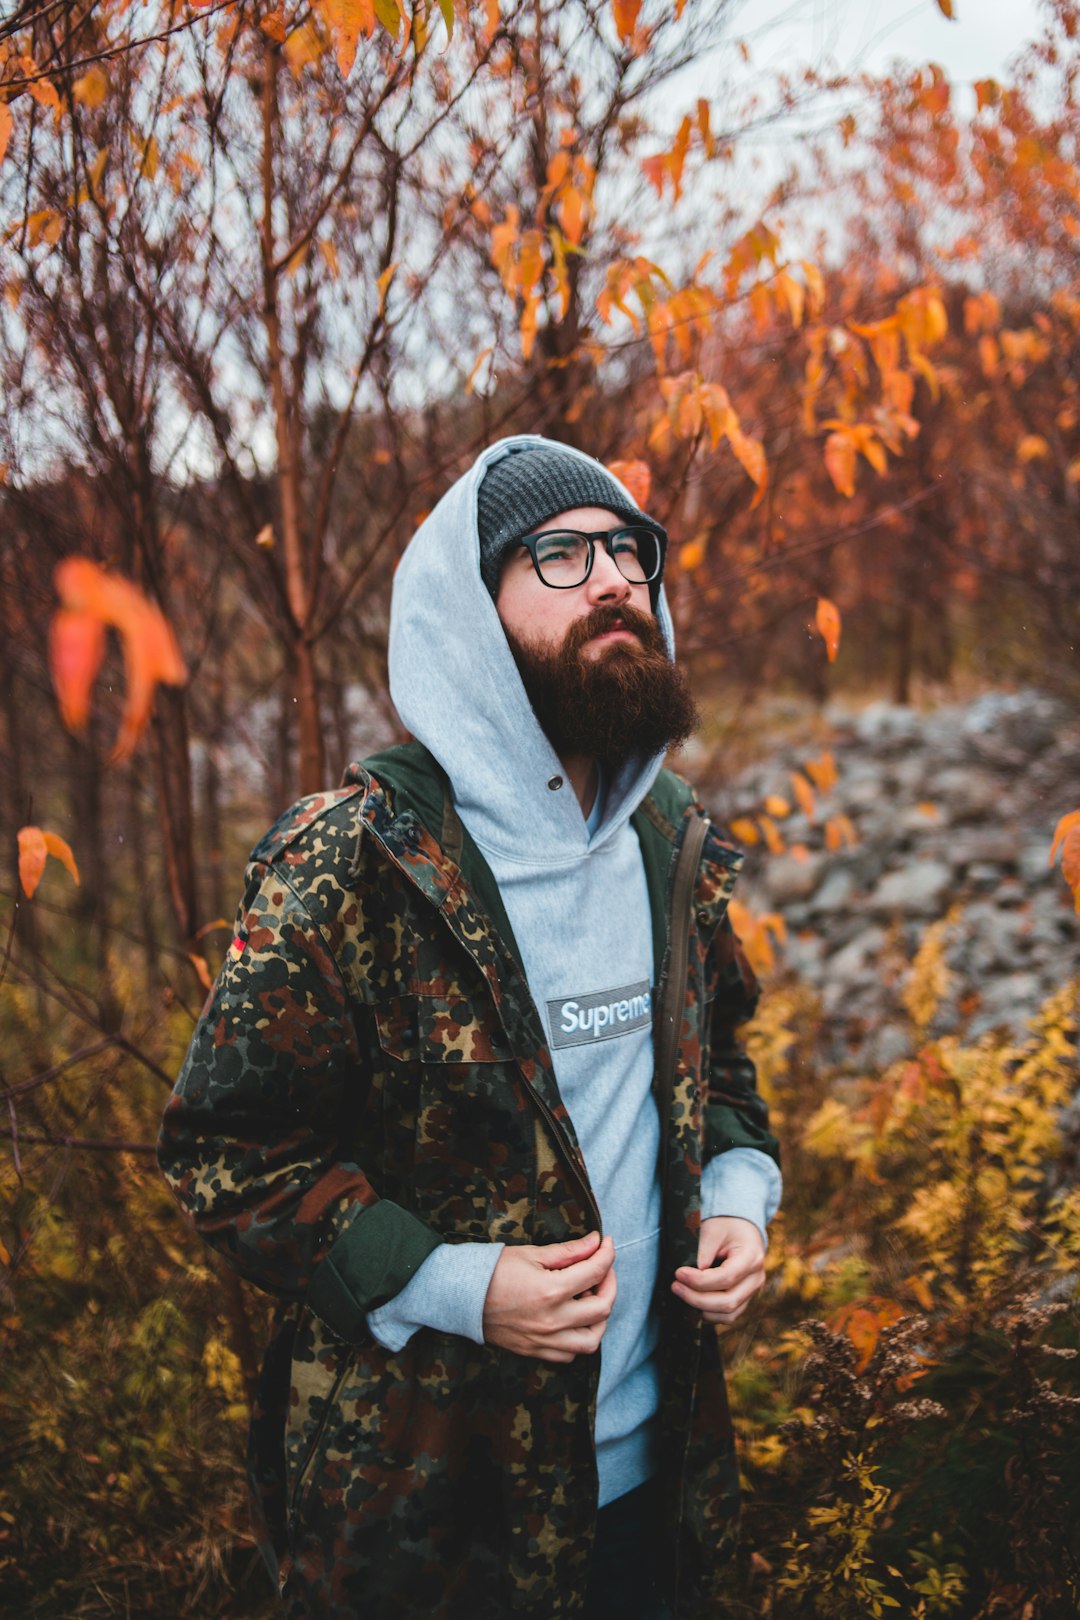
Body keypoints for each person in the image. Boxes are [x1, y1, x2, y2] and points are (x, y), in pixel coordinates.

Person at [158, 436, 781, 1620]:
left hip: (663, 1479)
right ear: (470, 613)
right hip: (431, 1524)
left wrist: (741, 1196)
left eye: (627, 550)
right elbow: (228, 1160)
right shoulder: (352, 860)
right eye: (557, 554)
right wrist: (451, 1283)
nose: (611, 577)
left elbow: (722, 1072)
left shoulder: (670, 841)